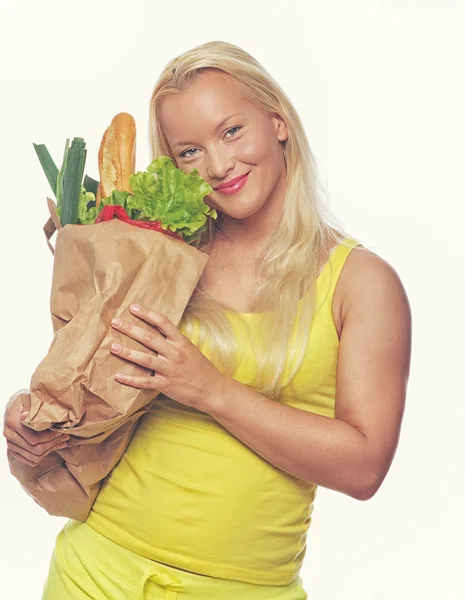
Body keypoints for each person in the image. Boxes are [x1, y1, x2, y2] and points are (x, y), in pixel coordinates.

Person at [3, 40, 411, 599]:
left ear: (278, 121)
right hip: (95, 573)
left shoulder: (361, 283)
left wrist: (212, 390)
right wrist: (36, 424)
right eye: (189, 151)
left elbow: (365, 467)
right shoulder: (158, 255)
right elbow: (93, 399)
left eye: (232, 132)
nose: (218, 166)